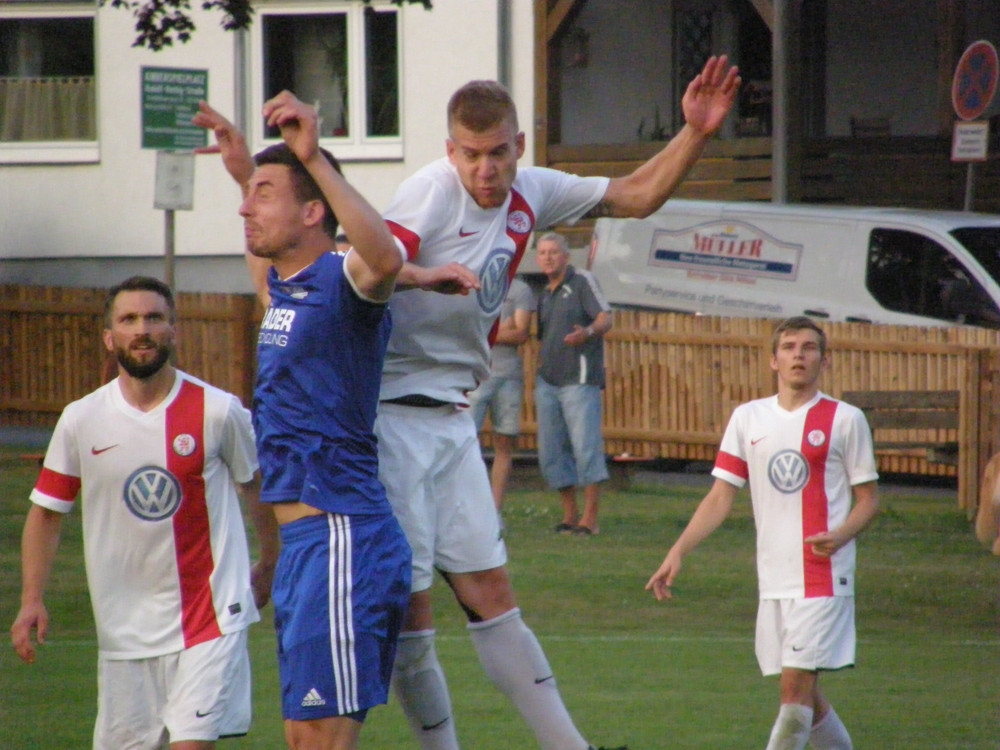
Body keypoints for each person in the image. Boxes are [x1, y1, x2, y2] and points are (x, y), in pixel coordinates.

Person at [375, 56, 740, 750]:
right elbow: (362, 262)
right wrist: (422, 275)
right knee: (411, 615)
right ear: (450, 151)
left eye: (499, 152)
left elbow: (634, 196)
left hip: (451, 417)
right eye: (471, 155)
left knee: (493, 596)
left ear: (519, 145)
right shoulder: (428, 194)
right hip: (390, 417)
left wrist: (694, 133)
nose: (486, 169)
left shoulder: (532, 190)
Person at [193, 93, 411, 750]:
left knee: (316, 739)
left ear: (313, 211)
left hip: (342, 532)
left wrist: (312, 159)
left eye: (264, 195)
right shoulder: (286, 292)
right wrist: (245, 172)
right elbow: (267, 266)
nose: (245, 208)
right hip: (305, 548)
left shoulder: (346, 280)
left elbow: (387, 260)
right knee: (304, 738)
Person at [10, 275, 279, 750]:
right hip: (124, 633)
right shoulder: (81, 419)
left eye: (154, 318)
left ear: (174, 330)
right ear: (109, 337)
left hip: (210, 617)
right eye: (129, 319)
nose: (142, 330)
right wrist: (32, 598)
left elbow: (256, 486)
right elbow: (47, 513)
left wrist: (272, 562)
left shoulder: (218, 411)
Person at [645, 316, 880, 750]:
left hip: (822, 577)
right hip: (773, 577)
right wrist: (678, 550)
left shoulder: (845, 419)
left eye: (808, 348)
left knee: (794, 692)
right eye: (789, 347)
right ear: (774, 360)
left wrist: (841, 534)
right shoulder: (748, 417)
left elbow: (868, 499)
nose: (798, 355)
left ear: (824, 361)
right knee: (804, 694)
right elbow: (720, 495)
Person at [534, 232, 612, 536]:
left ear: (566, 256)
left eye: (554, 252)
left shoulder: (581, 281)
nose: (548, 257)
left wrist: (587, 333)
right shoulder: (544, 293)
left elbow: (606, 318)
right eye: (543, 252)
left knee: (585, 448)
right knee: (551, 452)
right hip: (548, 380)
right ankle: (569, 515)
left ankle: (590, 519)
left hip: (578, 379)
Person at [468, 274, 536, 512]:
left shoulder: (520, 288)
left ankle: (494, 510)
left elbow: (520, 333)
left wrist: (487, 333)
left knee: (504, 442)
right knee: (466, 439)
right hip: (476, 374)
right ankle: (469, 505)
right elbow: (466, 329)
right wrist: (502, 329)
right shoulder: (475, 282)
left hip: (508, 376)